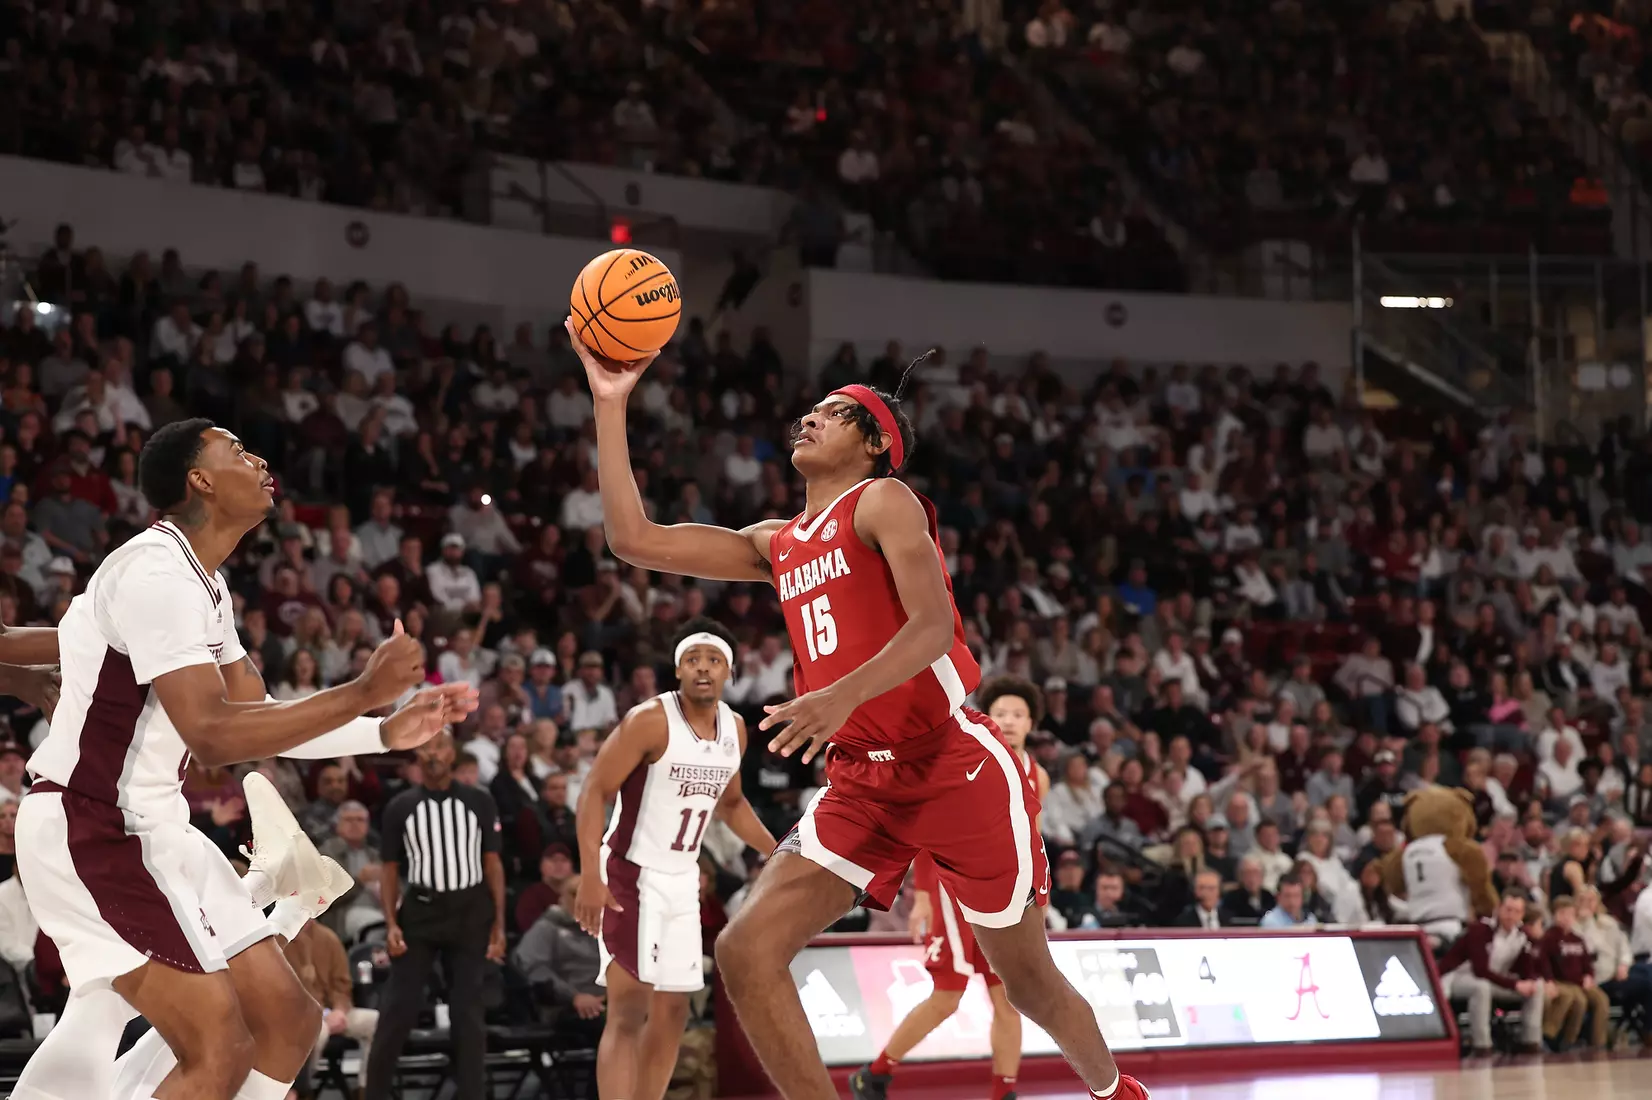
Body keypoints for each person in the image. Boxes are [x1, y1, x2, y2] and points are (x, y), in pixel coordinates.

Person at [570, 321, 1147, 1100]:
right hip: (862, 784)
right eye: (809, 408)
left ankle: (1119, 1093)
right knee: (744, 949)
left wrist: (837, 696)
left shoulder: (884, 501)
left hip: (952, 761)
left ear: (876, 443)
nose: (808, 416)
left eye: (834, 411)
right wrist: (611, 402)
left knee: (1028, 979)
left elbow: (934, 626)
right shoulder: (779, 543)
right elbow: (632, 539)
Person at [13, 419, 476, 1100]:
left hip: (154, 829)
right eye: (236, 451)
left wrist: (382, 730)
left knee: (289, 1022)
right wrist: (360, 690)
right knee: (216, 1046)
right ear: (199, 480)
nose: (259, 459)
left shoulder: (207, 586)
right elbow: (212, 736)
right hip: (92, 828)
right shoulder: (155, 572)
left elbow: (257, 722)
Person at [574, 620, 775, 1100]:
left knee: (674, 1012)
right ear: (678, 669)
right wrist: (588, 877)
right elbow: (594, 791)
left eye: (713, 661)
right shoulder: (649, 720)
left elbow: (731, 804)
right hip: (629, 873)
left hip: (684, 880)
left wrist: (777, 849)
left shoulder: (735, 730)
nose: (703, 668)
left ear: (729, 670)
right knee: (627, 1010)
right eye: (693, 660)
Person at [852, 677, 1049, 1100]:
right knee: (947, 994)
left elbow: (1033, 841)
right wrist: (922, 895)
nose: (1009, 722)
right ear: (987, 720)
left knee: (1008, 997)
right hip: (954, 891)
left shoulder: (1038, 774)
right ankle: (875, 1073)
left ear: (1031, 723)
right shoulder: (966, 754)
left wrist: (1041, 901)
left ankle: (1004, 1092)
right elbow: (930, 829)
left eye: (1018, 715)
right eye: (1001, 714)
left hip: (1006, 895)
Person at [364, 730, 507, 1100]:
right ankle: (375, 1092)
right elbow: (390, 868)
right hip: (422, 913)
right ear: (416, 755)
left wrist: (499, 925)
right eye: (425, 747)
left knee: (467, 1012)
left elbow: (493, 864)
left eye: (439, 747)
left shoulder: (480, 802)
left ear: (452, 755)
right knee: (399, 1005)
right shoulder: (400, 806)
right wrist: (391, 923)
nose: (432, 754)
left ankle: (471, 1094)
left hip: (470, 910)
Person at [1435, 888, 1547, 1055]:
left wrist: (1530, 981)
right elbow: (1480, 970)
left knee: (1537, 987)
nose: (1511, 915)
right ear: (1499, 908)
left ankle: (1530, 1043)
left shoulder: (1521, 936)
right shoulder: (1480, 930)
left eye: (1516, 911)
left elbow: (1528, 968)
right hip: (1458, 978)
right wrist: (1516, 984)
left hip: (1494, 980)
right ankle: (1482, 1046)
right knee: (1481, 987)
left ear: (1522, 914)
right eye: (1508, 910)